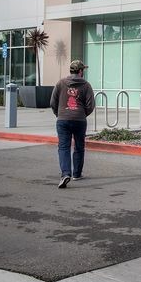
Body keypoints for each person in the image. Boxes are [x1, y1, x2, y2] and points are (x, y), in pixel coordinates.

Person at [50, 60, 96, 188]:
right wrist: (82, 114)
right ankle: (76, 174)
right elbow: (90, 105)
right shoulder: (86, 85)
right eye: (83, 70)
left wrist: (59, 114)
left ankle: (65, 173)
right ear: (80, 71)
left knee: (63, 147)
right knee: (79, 147)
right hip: (79, 120)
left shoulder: (60, 83)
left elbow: (53, 102)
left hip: (63, 119)